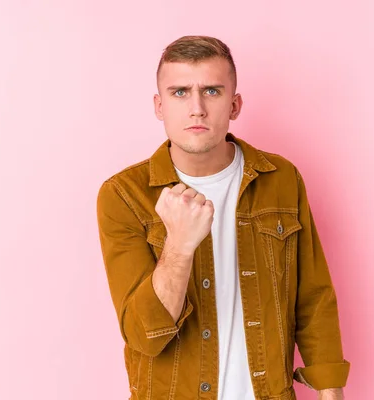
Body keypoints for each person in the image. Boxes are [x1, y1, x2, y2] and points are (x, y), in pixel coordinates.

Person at [97, 35, 350, 400]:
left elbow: (312, 297)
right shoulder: (123, 195)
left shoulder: (281, 178)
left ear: (234, 105)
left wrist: (331, 389)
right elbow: (145, 335)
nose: (196, 108)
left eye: (212, 91)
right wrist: (180, 246)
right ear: (159, 105)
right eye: (180, 92)